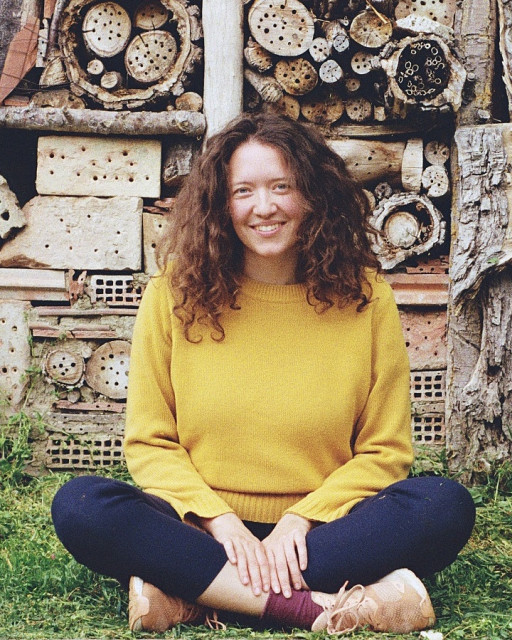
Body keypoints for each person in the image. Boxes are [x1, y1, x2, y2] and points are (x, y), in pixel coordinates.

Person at [51, 112, 475, 635]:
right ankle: (318, 609)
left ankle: (195, 597)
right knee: (83, 506)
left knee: (442, 505)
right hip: (201, 529)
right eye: (243, 191)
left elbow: (384, 452)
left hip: (321, 534)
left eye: (282, 187)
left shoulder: (367, 298)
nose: (264, 207)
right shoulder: (172, 295)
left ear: (314, 196)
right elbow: (150, 442)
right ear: (219, 203)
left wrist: (301, 520)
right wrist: (219, 521)